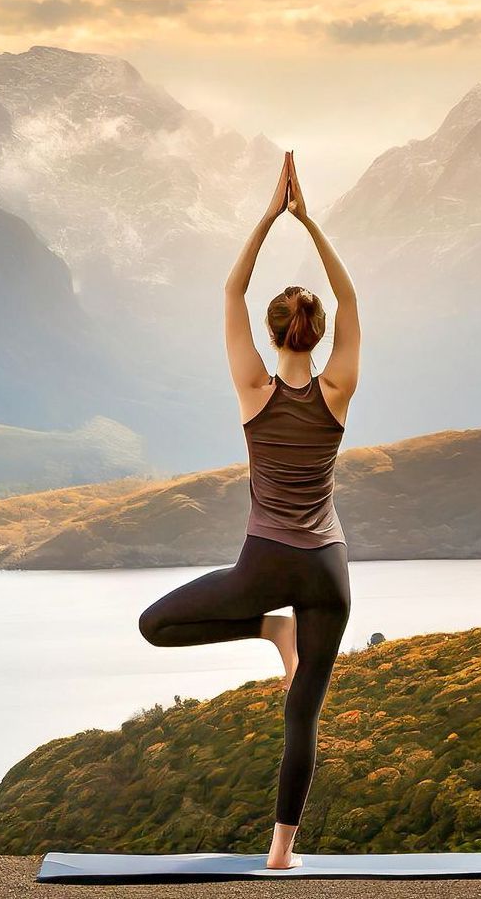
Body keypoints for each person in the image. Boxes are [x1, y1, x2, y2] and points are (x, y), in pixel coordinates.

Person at [138, 150, 360, 870]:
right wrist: (311, 222)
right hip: (326, 570)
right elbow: (352, 303)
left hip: (264, 565)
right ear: (317, 335)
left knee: (156, 625)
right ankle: (280, 854)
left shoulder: (254, 391)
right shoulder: (335, 392)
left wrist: (270, 217)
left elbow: (230, 291)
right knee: (303, 717)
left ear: (272, 335)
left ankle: (267, 627)